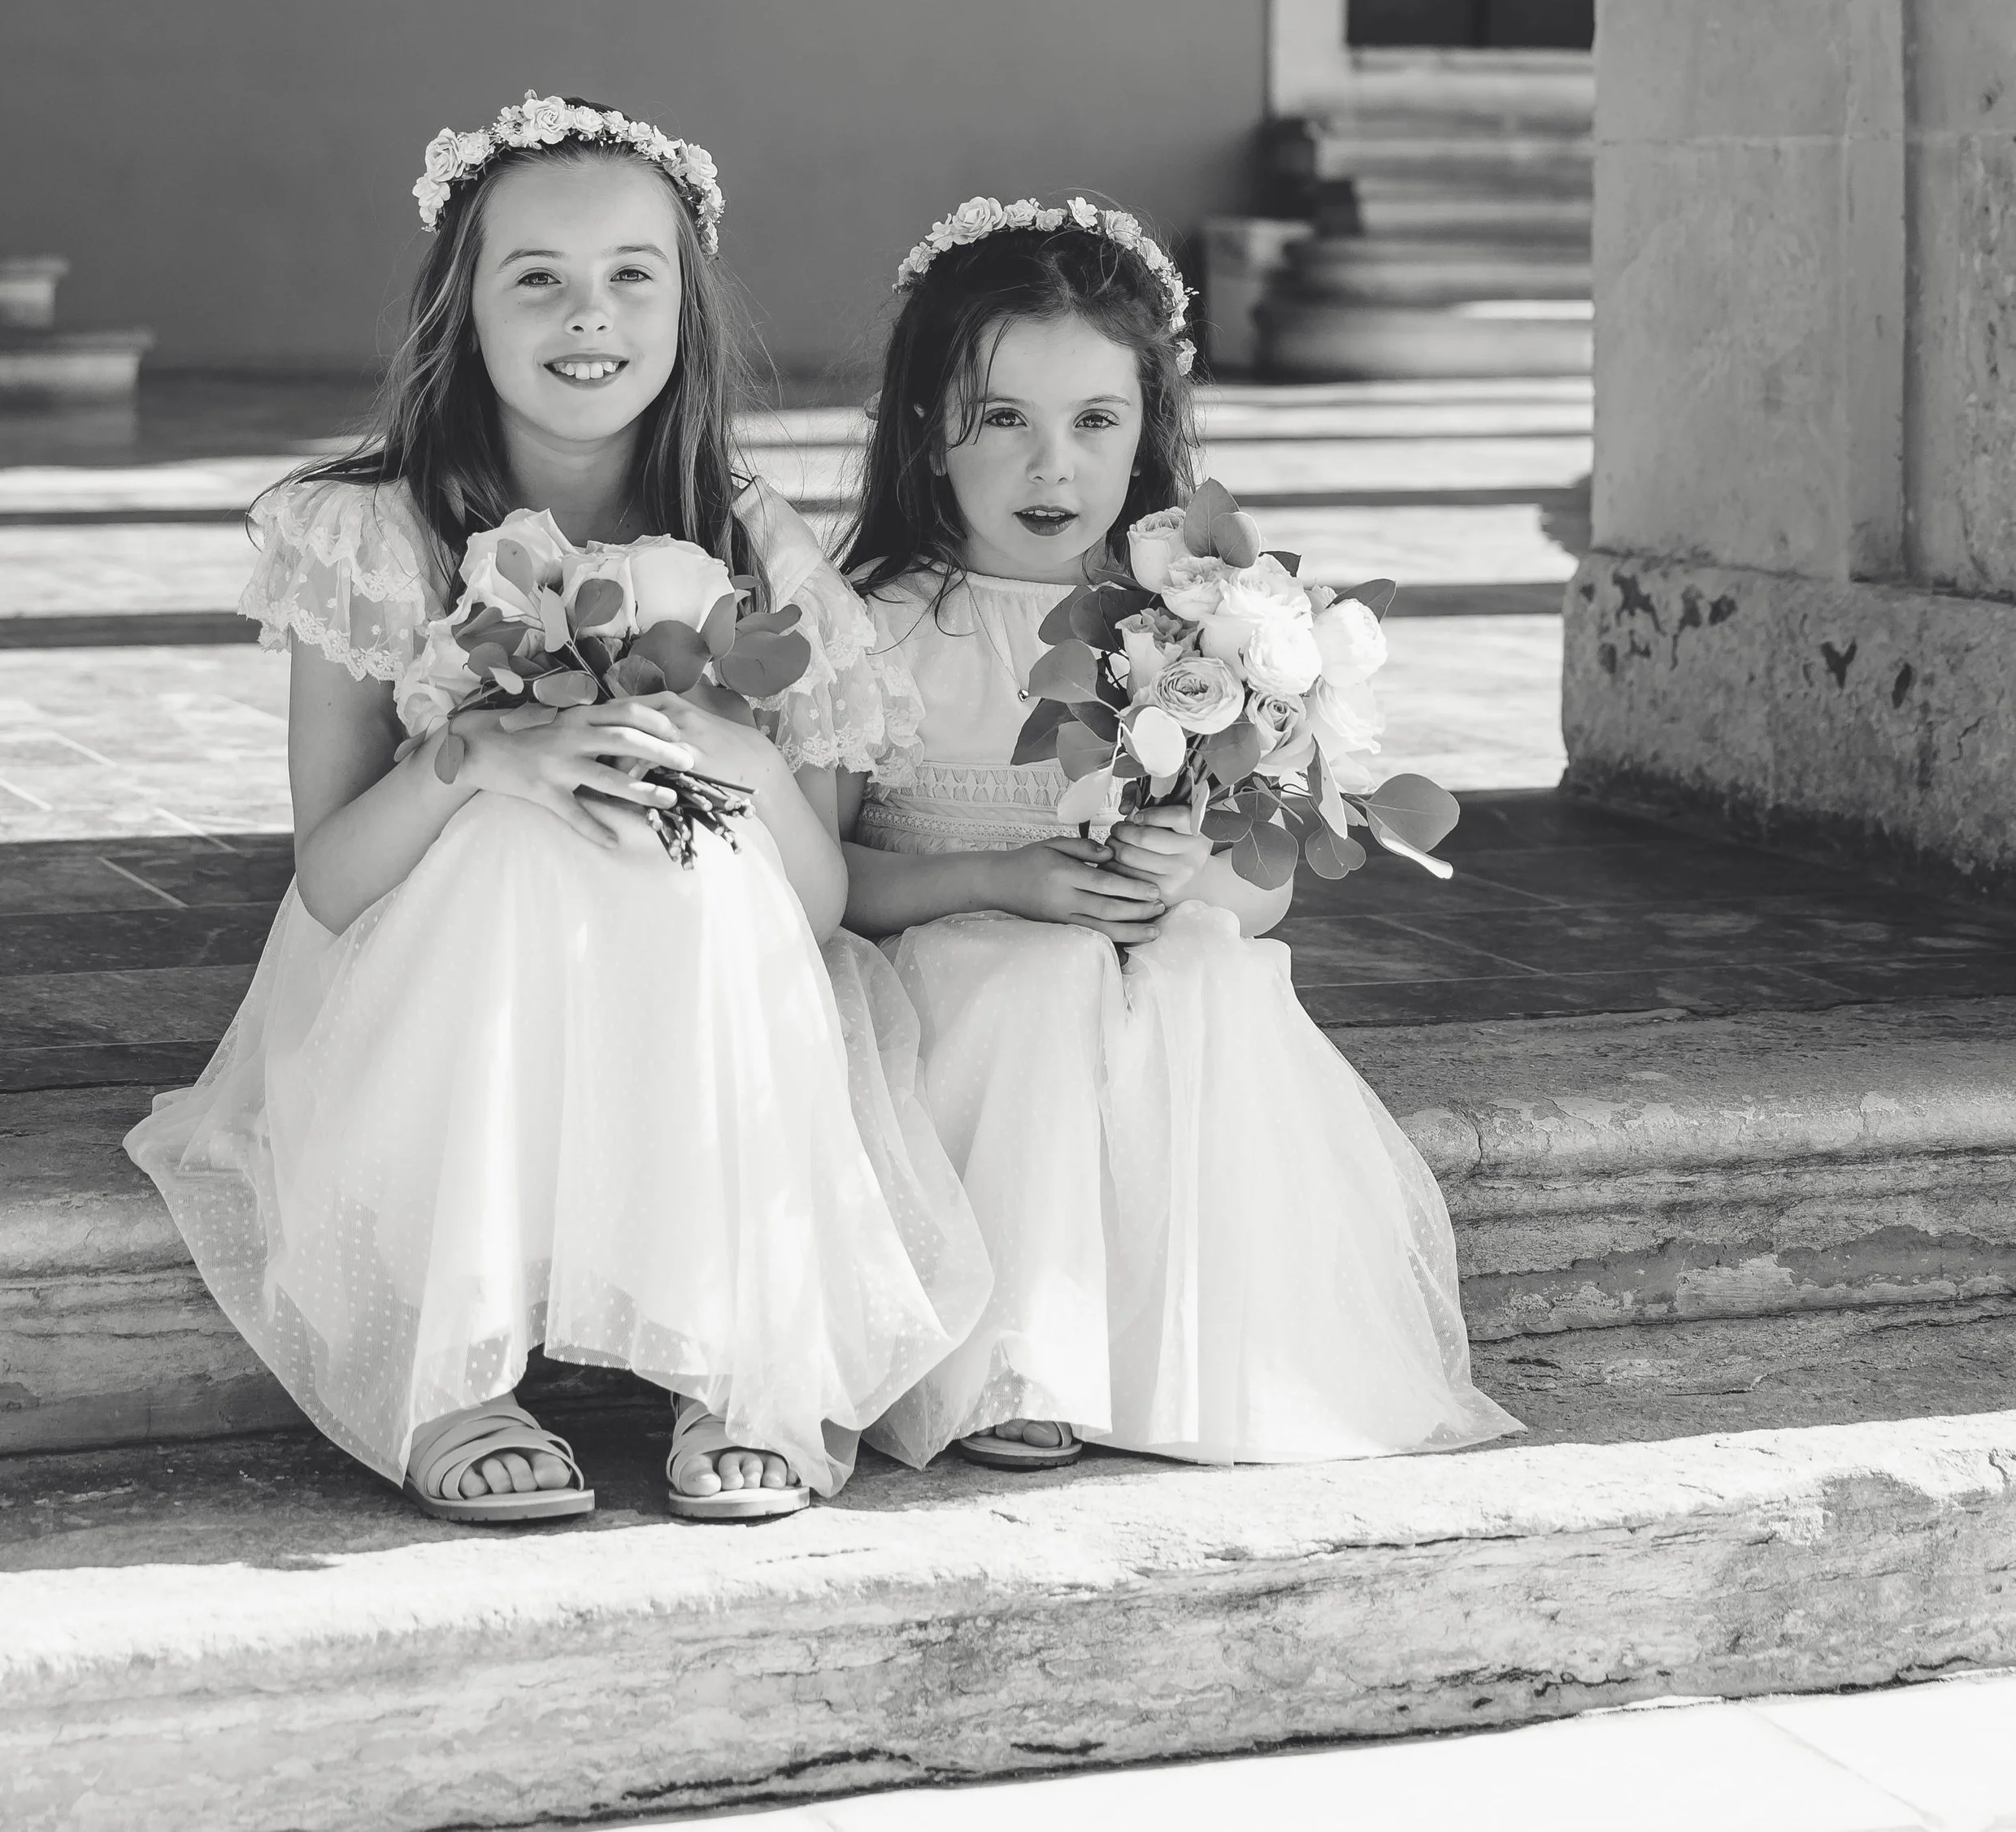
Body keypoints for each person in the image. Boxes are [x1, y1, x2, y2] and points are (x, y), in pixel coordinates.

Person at [128, 94, 986, 1526]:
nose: (588, 313)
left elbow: (821, 901)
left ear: (685, 306)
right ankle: (451, 1366)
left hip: (692, 972)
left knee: (710, 860)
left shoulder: (756, 554)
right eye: (537, 276)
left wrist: (736, 748)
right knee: (519, 837)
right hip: (442, 978)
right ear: (463, 306)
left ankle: (734, 1355)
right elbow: (336, 881)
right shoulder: (376, 533)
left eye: (630, 275)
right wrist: (475, 758)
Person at [836, 193, 1518, 1471]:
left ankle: (1187, 1356)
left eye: (1097, 420)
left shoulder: (1189, 622)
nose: (1056, 468)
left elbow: (1262, 893)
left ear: (1149, 426)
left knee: (1210, 967)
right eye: (1004, 419)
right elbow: (817, 877)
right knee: (1034, 971)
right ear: (929, 427)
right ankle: (1010, 1354)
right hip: (955, 963)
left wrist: (1184, 869)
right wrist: (1001, 877)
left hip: (1137, 960)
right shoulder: (874, 626)